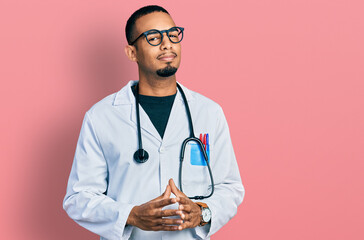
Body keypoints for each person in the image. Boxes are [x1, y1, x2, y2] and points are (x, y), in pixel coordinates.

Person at [63, 5, 245, 240]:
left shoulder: (209, 112)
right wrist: (131, 215)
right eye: (153, 37)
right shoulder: (102, 117)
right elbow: (78, 198)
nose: (167, 44)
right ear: (132, 53)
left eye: (172, 35)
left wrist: (202, 214)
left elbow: (230, 188)